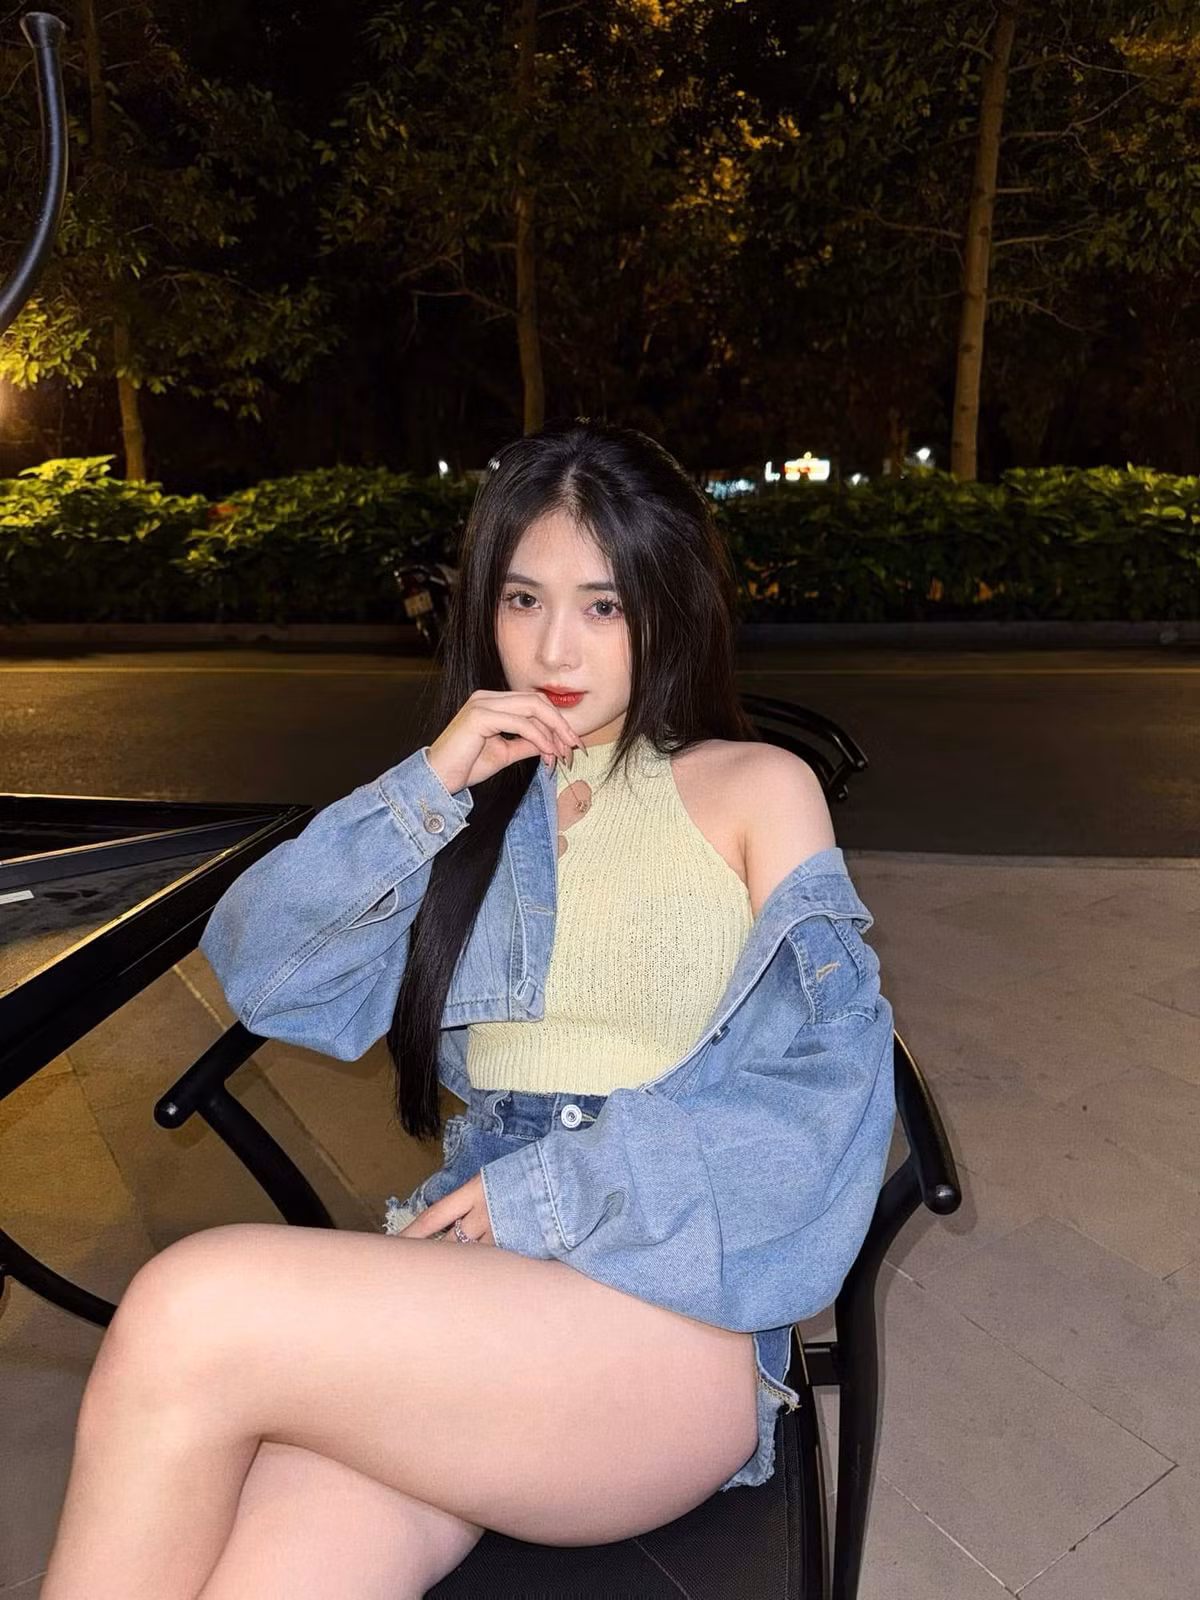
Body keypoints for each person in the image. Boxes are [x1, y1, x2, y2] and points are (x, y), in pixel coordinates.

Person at [42, 419, 896, 1600]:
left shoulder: (758, 787)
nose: (554, 647)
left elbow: (830, 1095)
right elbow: (265, 970)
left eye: (604, 605)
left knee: (191, 1308)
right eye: (522, 599)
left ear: (671, 606)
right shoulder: (471, 809)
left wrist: (555, 1188)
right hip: (479, 1302)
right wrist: (431, 781)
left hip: (665, 1312)